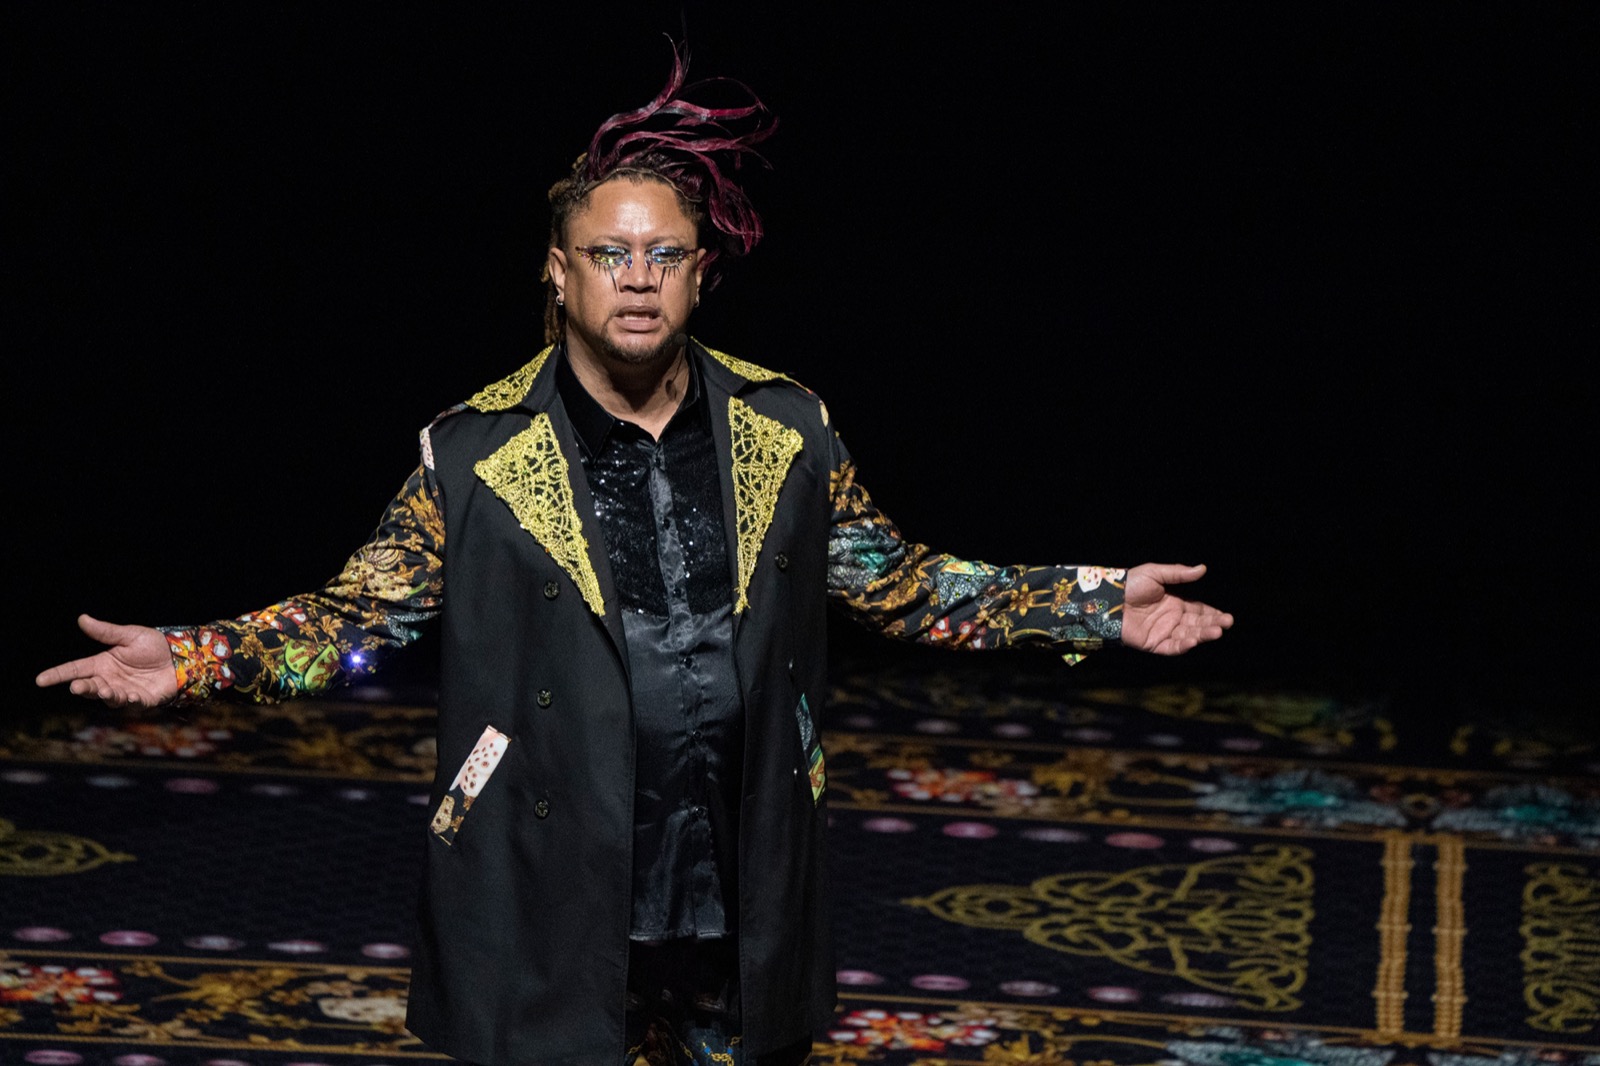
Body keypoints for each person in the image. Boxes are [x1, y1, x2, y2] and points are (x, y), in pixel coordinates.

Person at [36, 46, 1232, 1066]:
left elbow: (906, 584)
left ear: (700, 272)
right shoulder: (477, 454)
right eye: (610, 255)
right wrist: (191, 657)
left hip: (734, 867)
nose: (639, 279)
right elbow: (356, 617)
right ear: (558, 273)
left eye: (664, 254)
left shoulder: (786, 430)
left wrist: (1093, 603)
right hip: (551, 875)